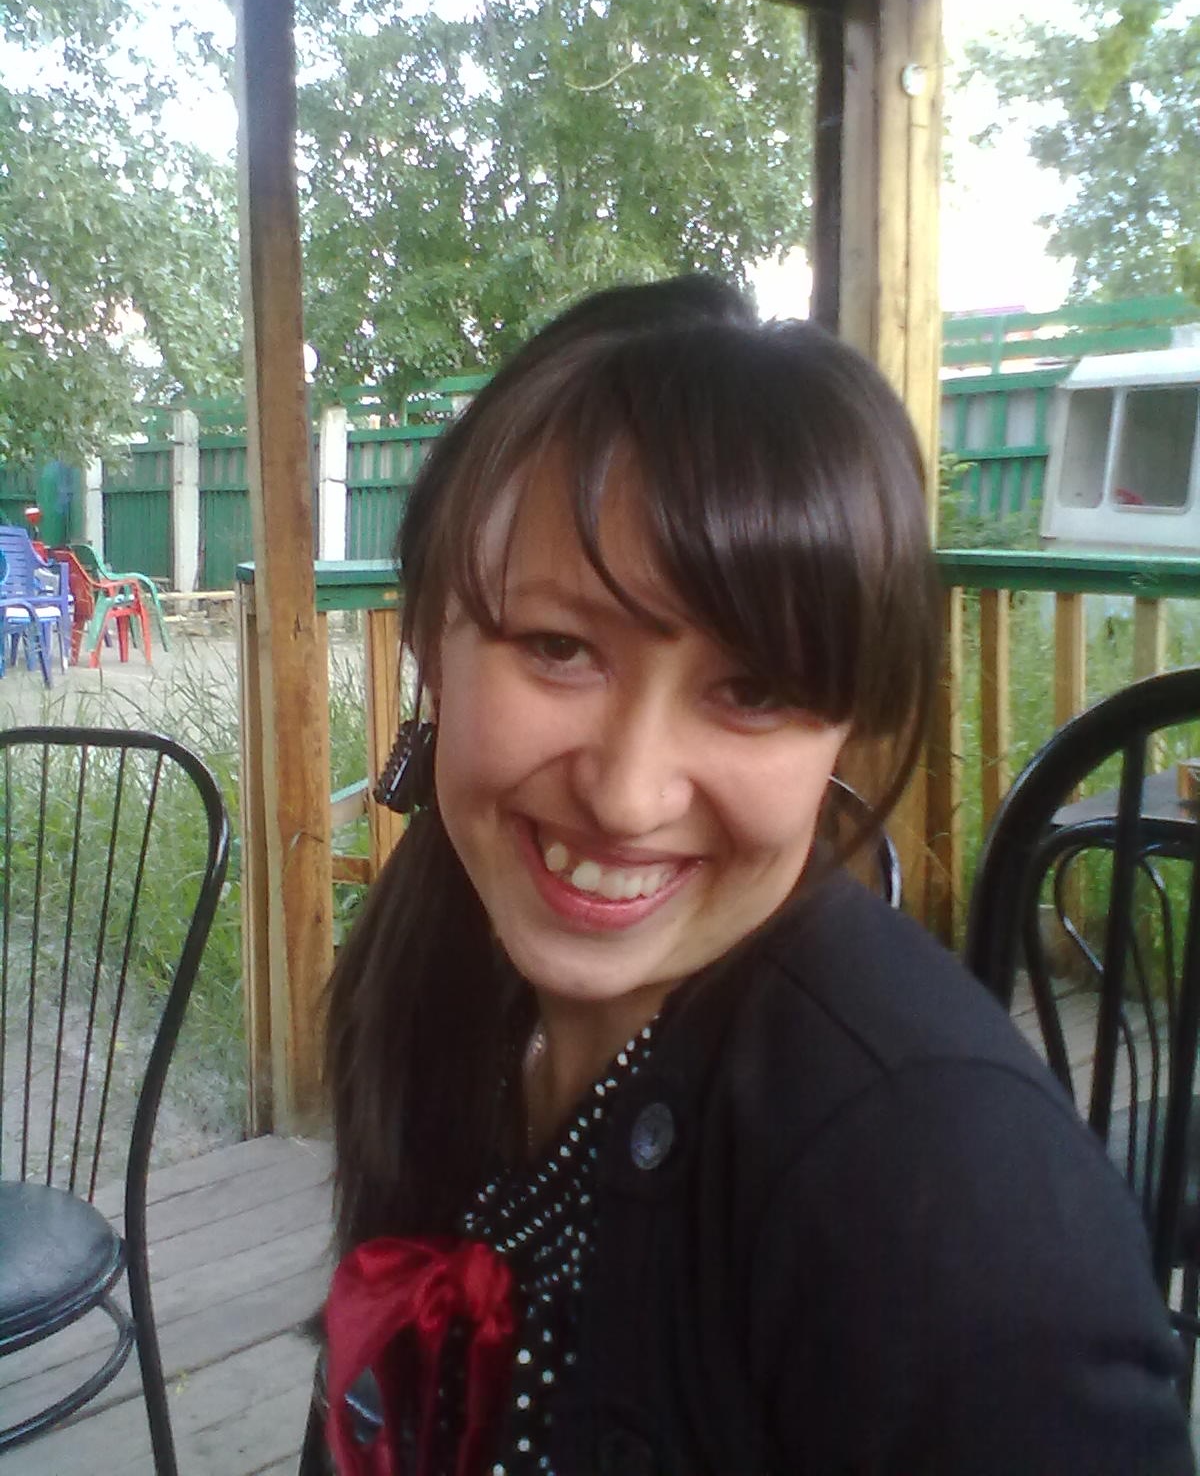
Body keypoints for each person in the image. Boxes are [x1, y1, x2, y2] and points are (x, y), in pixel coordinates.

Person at [314, 275, 1194, 1476]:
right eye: (558, 648)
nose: (628, 794)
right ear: (430, 638)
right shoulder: (441, 962)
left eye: (754, 690)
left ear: (843, 728)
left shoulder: (942, 1192)